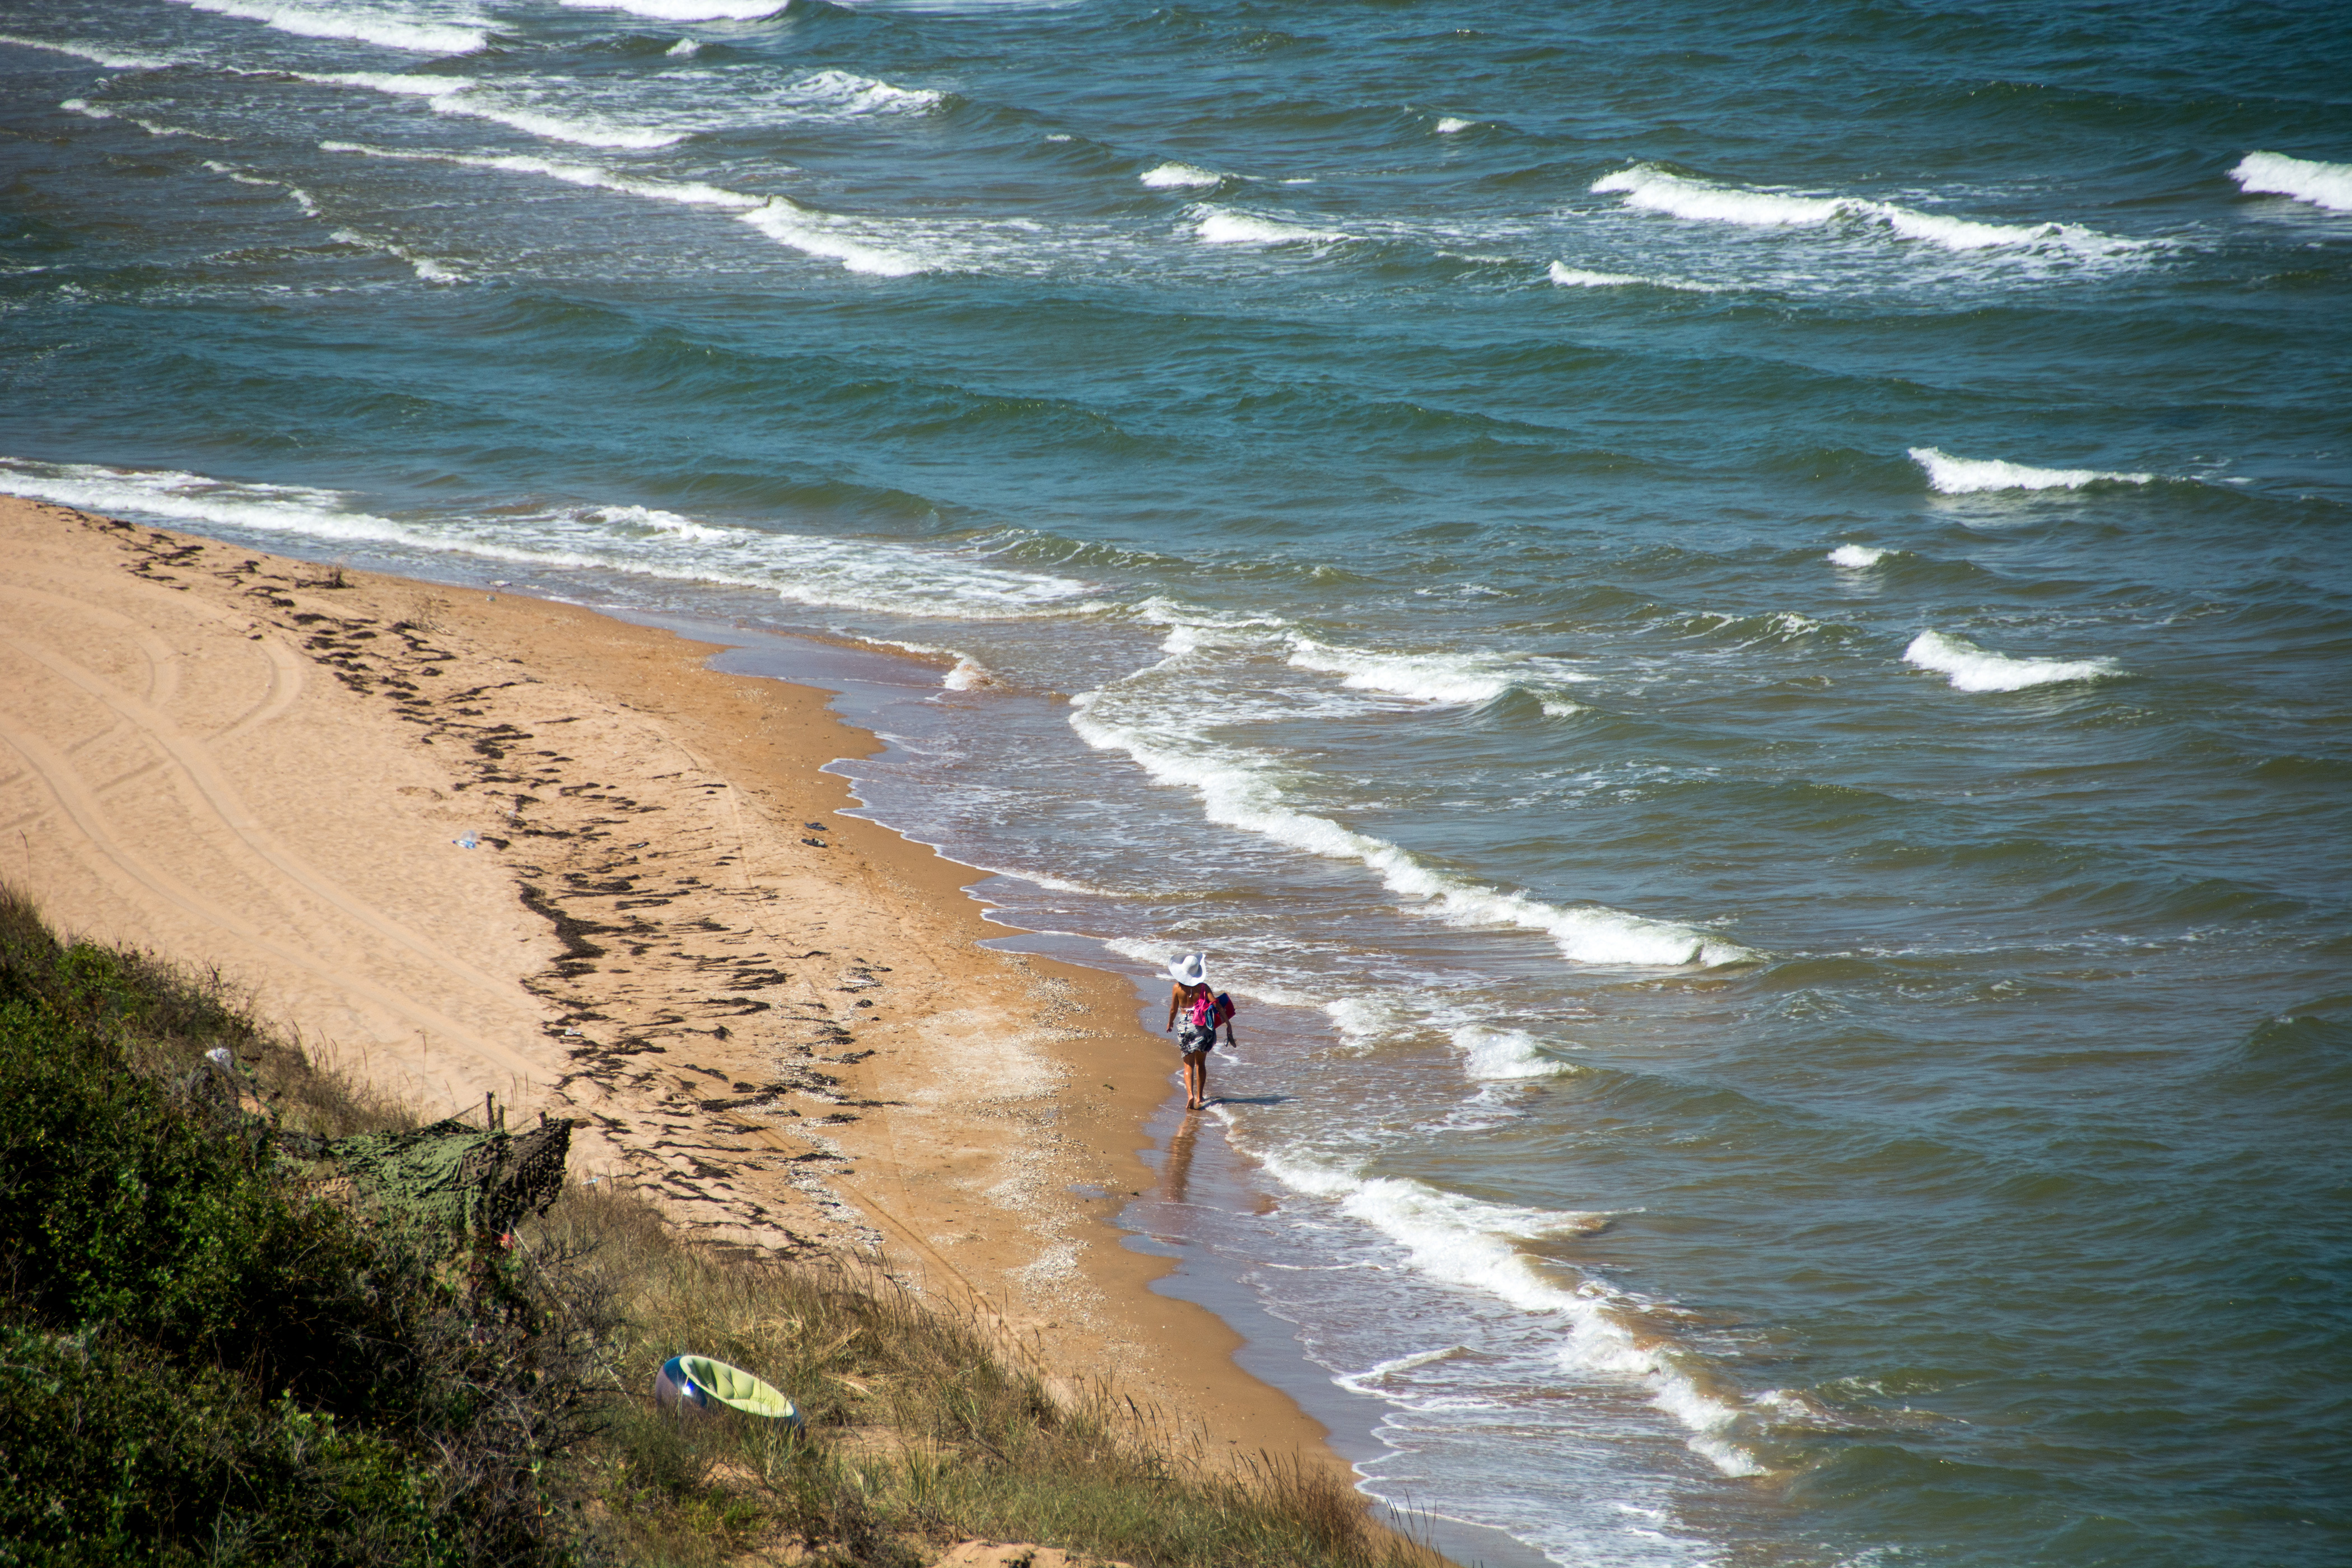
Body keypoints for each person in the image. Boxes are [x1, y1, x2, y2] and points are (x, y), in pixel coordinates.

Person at [1164, 951, 1234, 1110]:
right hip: (1202, 1027)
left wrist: (1170, 1024)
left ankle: (1190, 1095)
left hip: (1185, 1027)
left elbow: (1174, 1009)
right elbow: (1216, 1004)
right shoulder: (1203, 987)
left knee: (1188, 1065)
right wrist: (1227, 1023)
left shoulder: (1177, 988)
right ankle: (1200, 1097)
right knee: (1200, 1064)